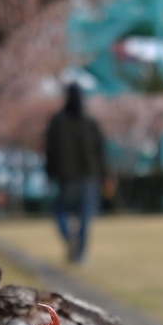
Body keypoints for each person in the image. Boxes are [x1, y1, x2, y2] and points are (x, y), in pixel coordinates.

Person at [45, 82, 107, 262]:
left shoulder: (57, 121)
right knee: (85, 216)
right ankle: (79, 253)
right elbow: (100, 151)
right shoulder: (90, 122)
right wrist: (104, 174)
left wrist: (49, 173)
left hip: (66, 177)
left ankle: (69, 238)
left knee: (60, 211)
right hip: (89, 175)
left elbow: (50, 149)